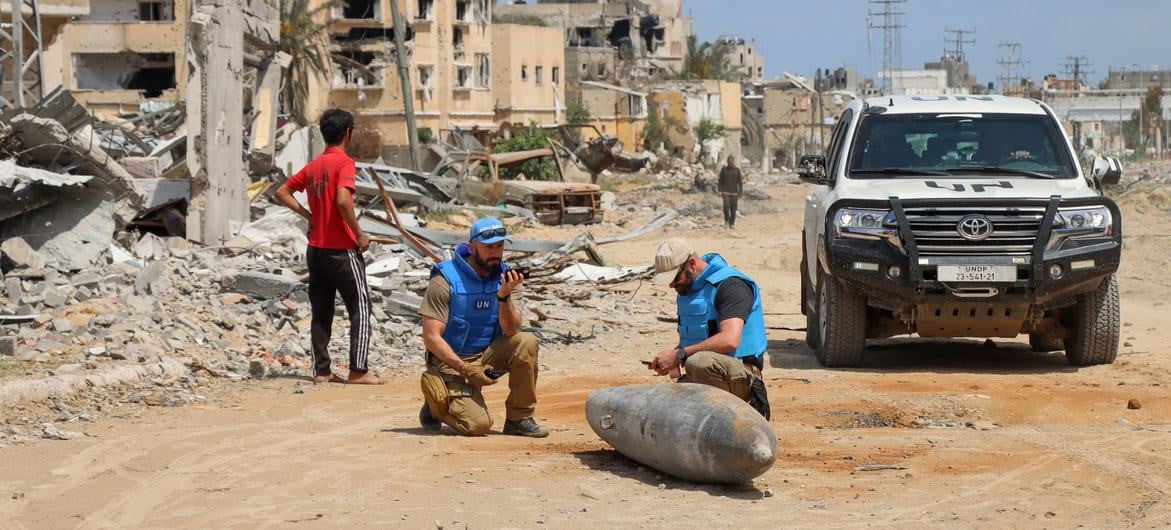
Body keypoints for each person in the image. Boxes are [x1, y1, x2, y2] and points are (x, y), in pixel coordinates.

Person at [274, 108, 382, 385]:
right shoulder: (344, 163)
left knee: (321, 311)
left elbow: (281, 192)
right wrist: (359, 234)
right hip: (342, 249)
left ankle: (321, 370)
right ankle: (358, 370)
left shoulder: (315, 165)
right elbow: (344, 201)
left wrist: (309, 215)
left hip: (316, 249)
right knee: (360, 307)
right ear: (348, 133)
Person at [417, 218, 548, 437]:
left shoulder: (506, 278)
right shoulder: (445, 280)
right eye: (489, 247)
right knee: (478, 426)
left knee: (527, 341)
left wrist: (504, 297)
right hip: (452, 361)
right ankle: (436, 405)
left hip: (487, 355)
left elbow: (511, 330)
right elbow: (431, 337)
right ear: (472, 247)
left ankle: (519, 418)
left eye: (500, 246)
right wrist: (465, 369)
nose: (496, 252)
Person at [647, 238, 771, 419]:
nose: (671, 285)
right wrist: (673, 360)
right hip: (708, 372)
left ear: (691, 264)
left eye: (674, 278)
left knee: (698, 363)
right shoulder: (691, 292)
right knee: (659, 405)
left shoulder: (731, 286)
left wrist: (680, 355)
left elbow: (730, 340)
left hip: (741, 375)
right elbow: (699, 342)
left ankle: (729, 418)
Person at [717, 156, 744, 229]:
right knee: (726, 206)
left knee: (733, 208)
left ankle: (732, 223)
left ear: (734, 161)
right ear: (727, 161)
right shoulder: (724, 170)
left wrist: (740, 192)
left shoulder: (737, 170)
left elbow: (740, 182)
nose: (731, 161)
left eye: (732, 160)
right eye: (729, 160)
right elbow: (720, 181)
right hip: (725, 192)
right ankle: (726, 221)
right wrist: (719, 190)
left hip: (734, 193)